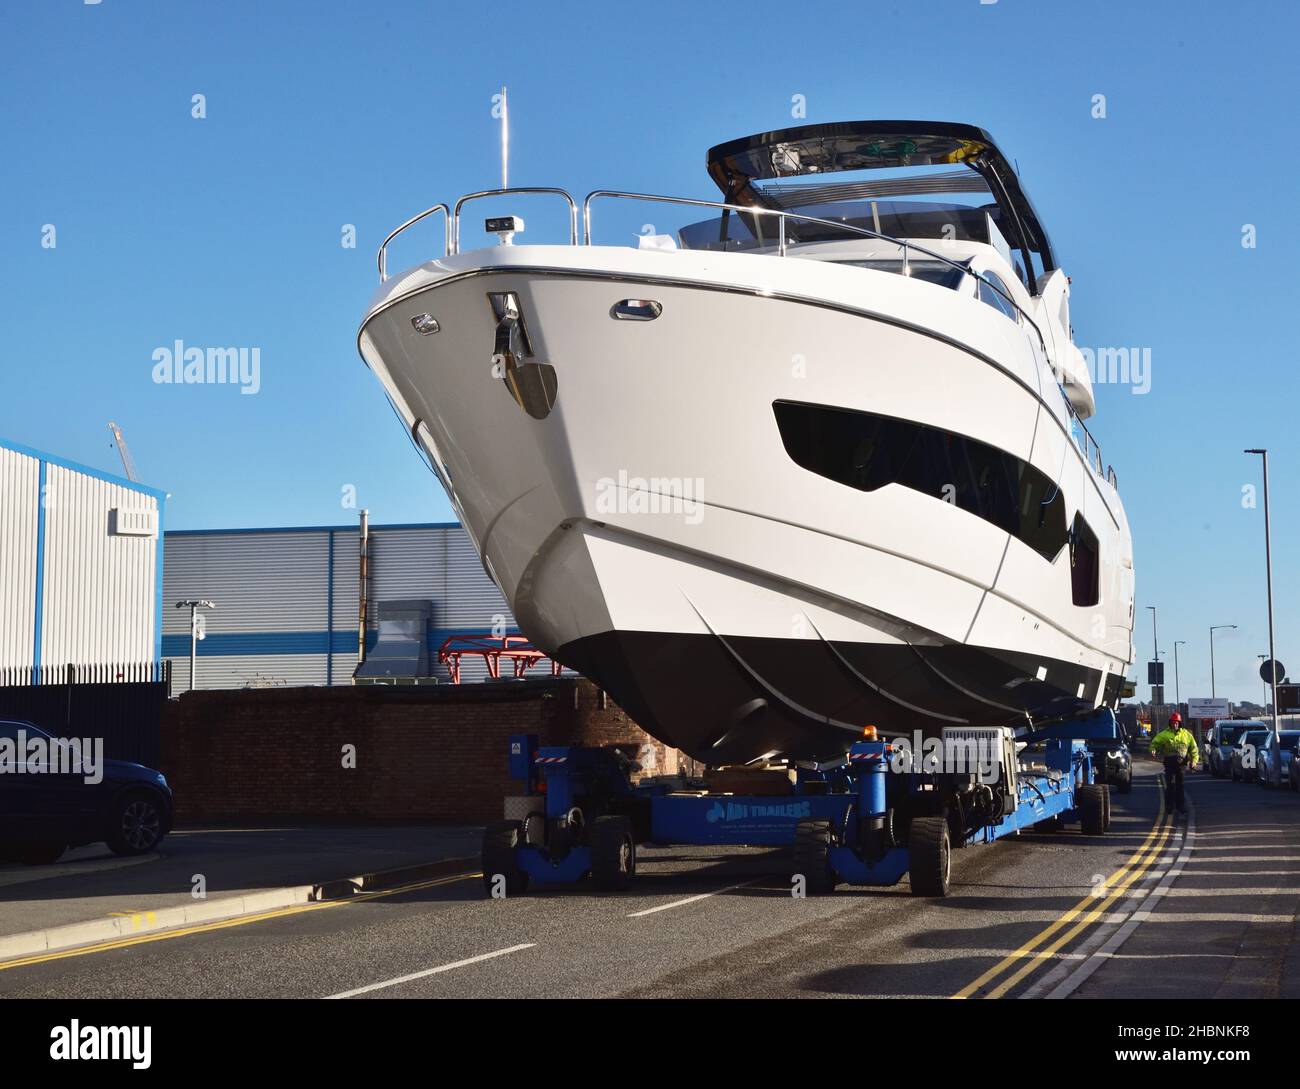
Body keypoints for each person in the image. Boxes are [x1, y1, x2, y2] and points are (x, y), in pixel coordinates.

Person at [1150, 711, 1199, 815]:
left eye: (1177, 722)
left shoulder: (1186, 735)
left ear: (1180, 723)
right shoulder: (1164, 734)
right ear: (1170, 723)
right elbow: (1155, 743)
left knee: (1180, 785)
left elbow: (1194, 749)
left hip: (1181, 764)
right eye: (1173, 722)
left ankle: (1180, 806)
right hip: (1169, 763)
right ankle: (1169, 807)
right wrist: (1153, 750)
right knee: (1171, 785)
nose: (1175, 724)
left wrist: (1194, 761)